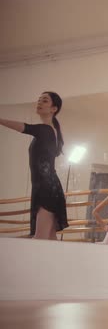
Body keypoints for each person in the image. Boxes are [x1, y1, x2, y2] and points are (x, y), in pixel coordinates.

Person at [0, 91, 67, 239]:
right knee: (48, 240)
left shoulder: (47, 130)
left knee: (40, 240)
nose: (39, 103)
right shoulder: (50, 130)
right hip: (46, 186)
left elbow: (26, 128)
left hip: (46, 188)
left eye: (44, 100)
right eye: (39, 100)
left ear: (54, 108)